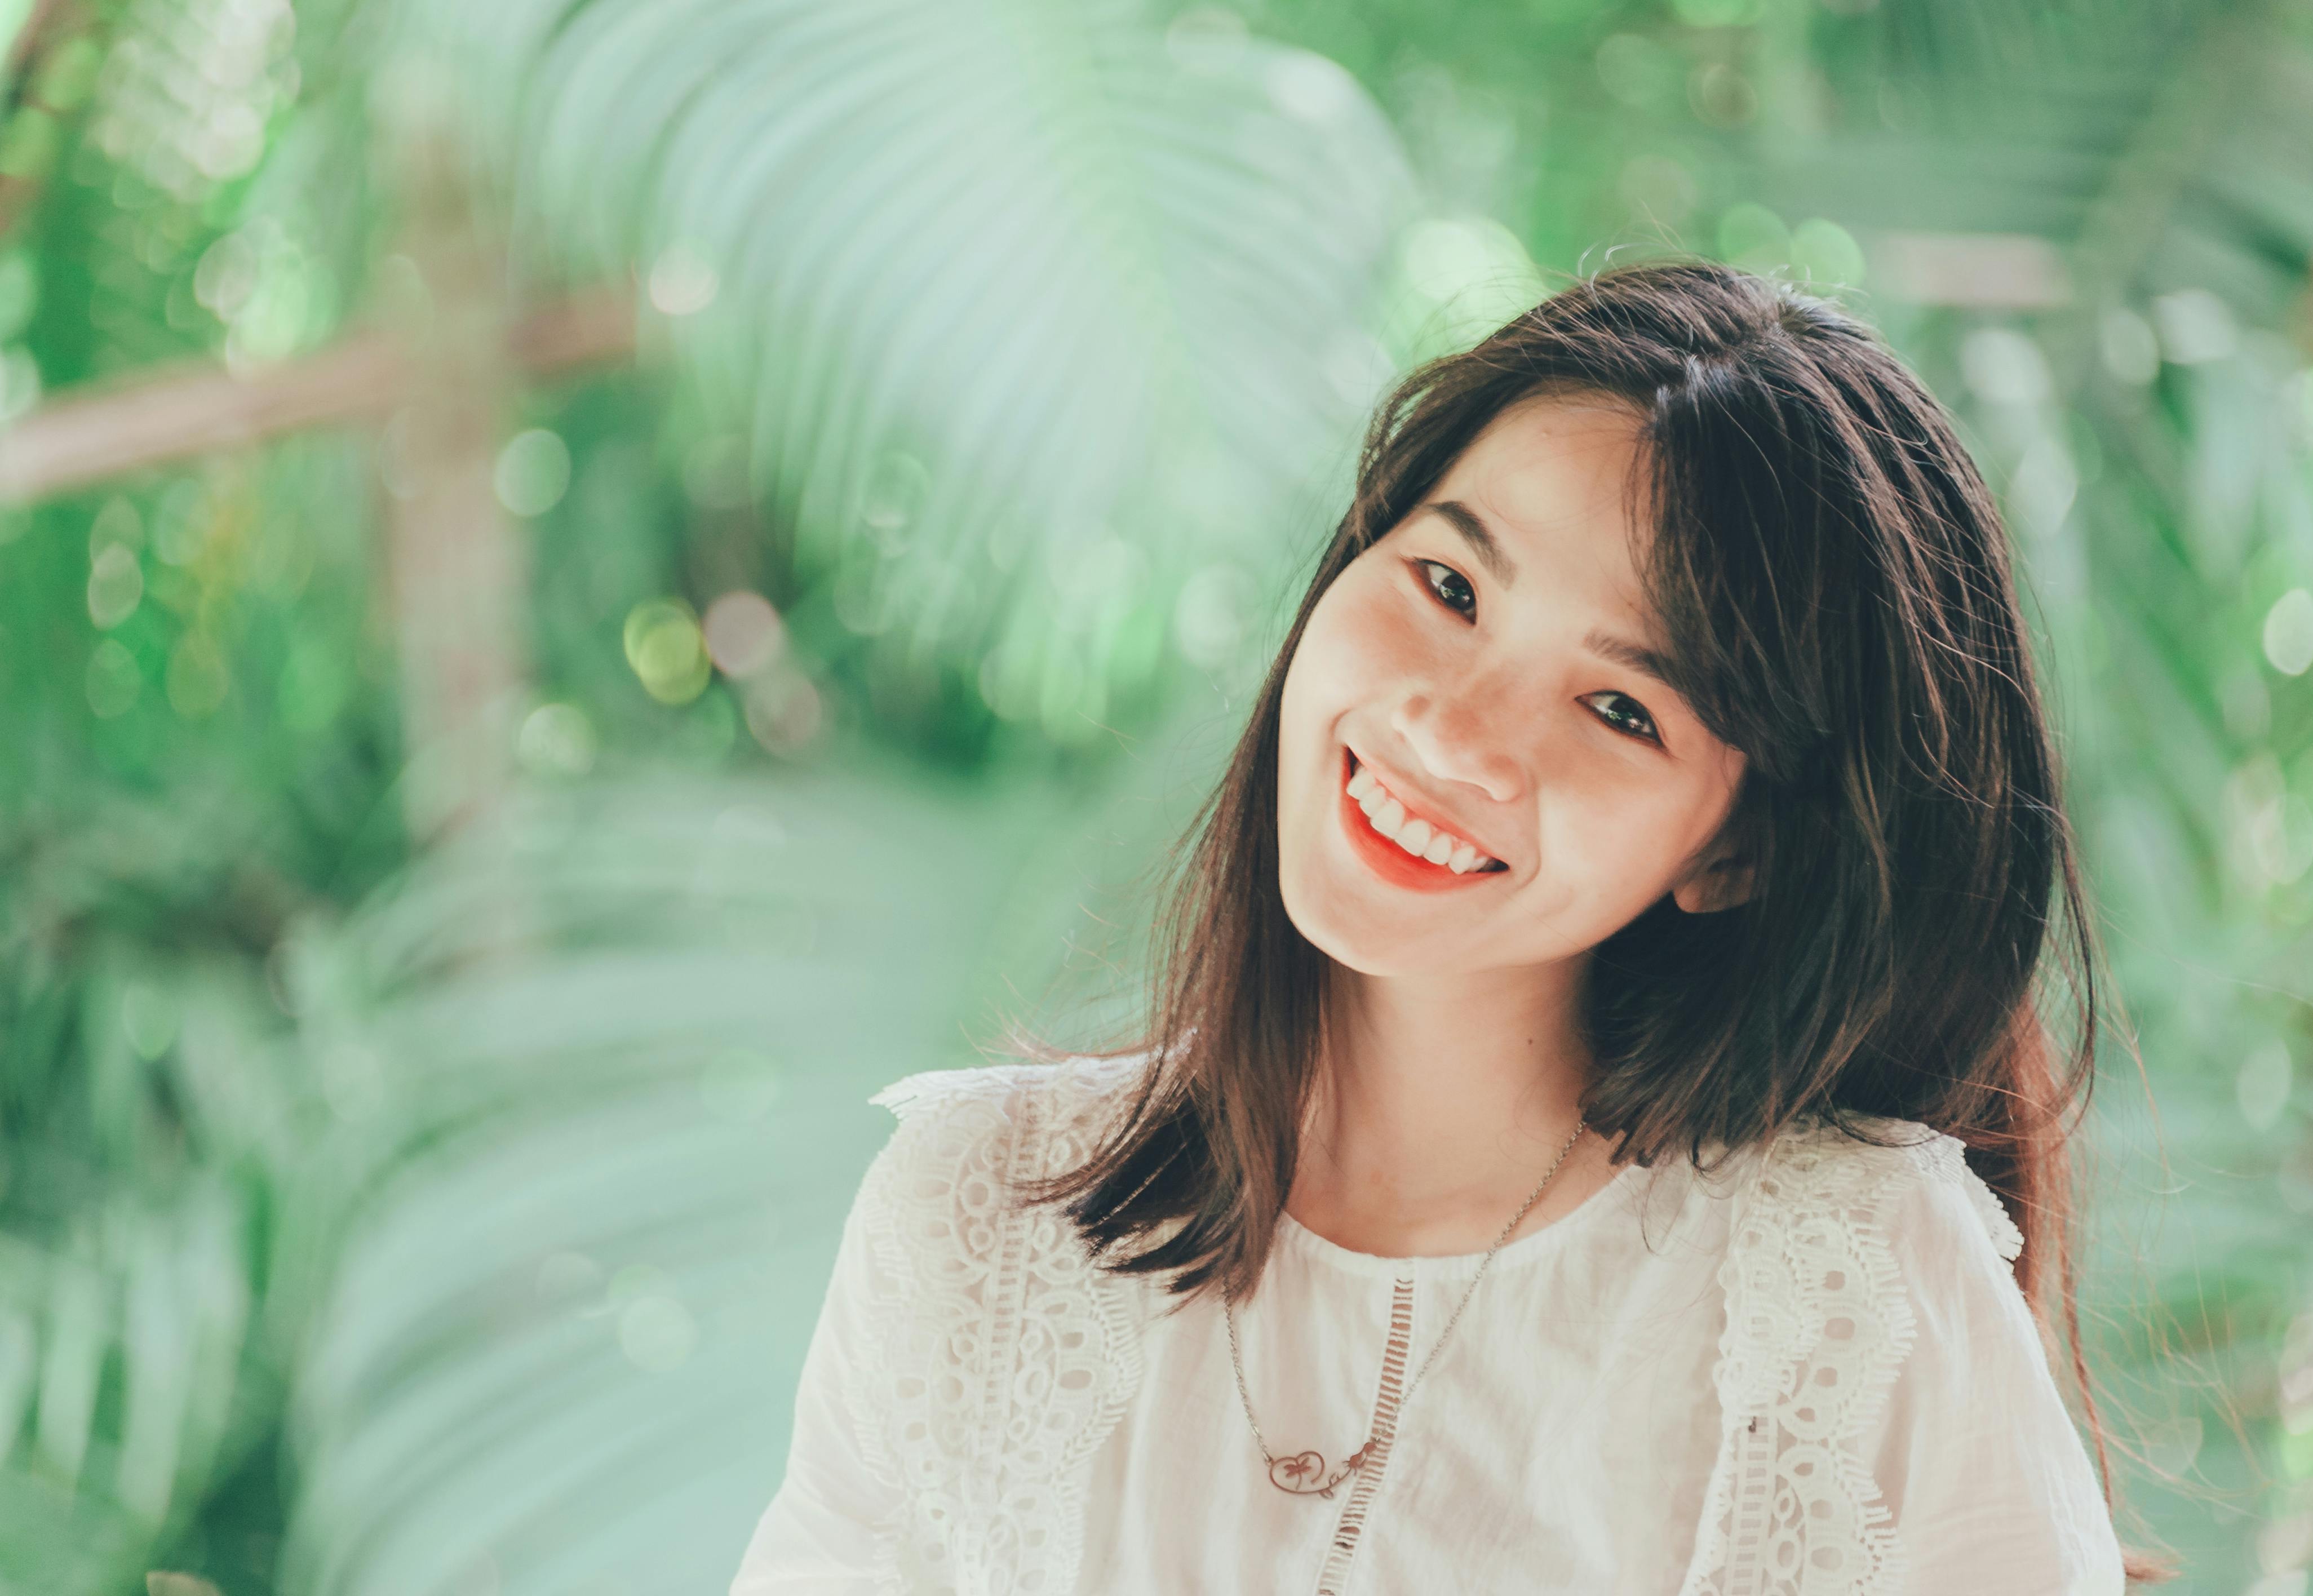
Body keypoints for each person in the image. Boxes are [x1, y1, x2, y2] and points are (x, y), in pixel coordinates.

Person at [729, 260, 2174, 1594]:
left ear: (1733, 851)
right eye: (1448, 584)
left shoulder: (1850, 1298)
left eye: (1621, 709)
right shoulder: (974, 1219)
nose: (1453, 731)